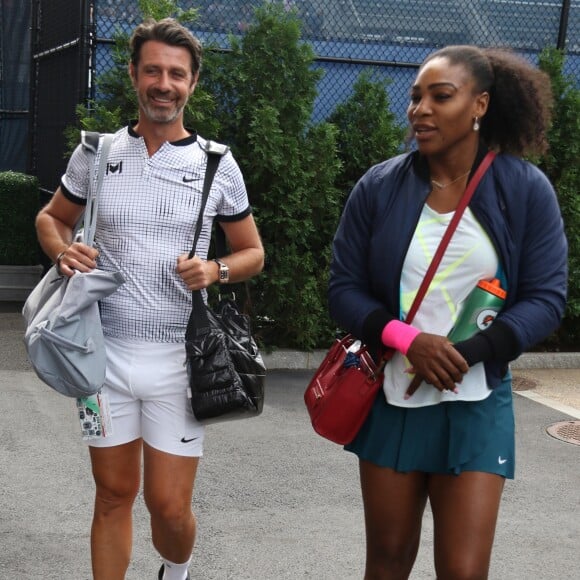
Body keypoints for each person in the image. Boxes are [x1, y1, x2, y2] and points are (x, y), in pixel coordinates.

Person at [35, 18, 264, 580]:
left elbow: (252, 252)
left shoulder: (216, 164)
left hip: (179, 363)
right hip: (100, 358)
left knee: (169, 507)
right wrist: (63, 252)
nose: (165, 83)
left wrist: (216, 268)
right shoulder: (98, 152)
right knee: (113, 495)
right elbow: (51, 219)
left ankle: (176, 570)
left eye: (177, 74)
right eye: (154, 70)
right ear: (135, 74)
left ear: (192, 83)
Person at [328, 45, 567, 579]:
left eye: (441, 96)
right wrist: (406, 340)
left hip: (477, 402)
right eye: (415, 98)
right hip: (393, 399)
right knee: (387, 562)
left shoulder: (523, 190)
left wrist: (473, 352)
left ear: (479, 104)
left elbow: (547, 297)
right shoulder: (380, 186)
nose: (420, 110)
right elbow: (343, 289)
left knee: (463, 571)